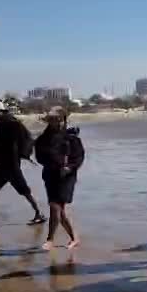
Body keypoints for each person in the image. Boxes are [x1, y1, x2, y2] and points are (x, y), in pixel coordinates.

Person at [35, 106, 85, 251]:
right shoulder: (43, 138)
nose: (56, 123)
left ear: (64, 120)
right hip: (50, 175)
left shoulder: (71, 138)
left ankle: (50, 240)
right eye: (53, 120)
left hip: (67, 177)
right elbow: (39, 157)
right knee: (59, 209)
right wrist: (51, 163)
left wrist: (69, 168)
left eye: (58, 120)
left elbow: (79, 157)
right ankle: (74, 238)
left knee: (55, 207)